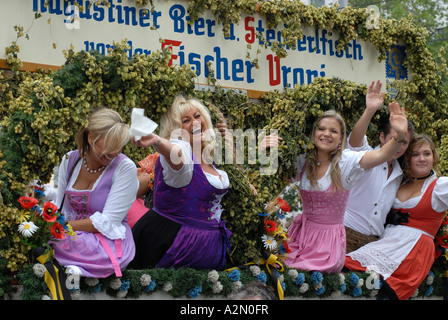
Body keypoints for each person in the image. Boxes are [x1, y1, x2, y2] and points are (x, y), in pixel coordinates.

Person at [263, 102, 408, 273]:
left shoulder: (344, 162)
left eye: (333, 131)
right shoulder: (303, 160)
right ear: (313, 133)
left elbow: (382, 155)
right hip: (300, 235)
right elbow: (266, 177)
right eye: (321, 129)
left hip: (327, 244)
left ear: (341, 138)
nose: (326, 134)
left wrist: (399, 136)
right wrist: (262, 148)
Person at [129, 96, 232, 270]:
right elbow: (176, 155)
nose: (195, 122)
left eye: (197, 116)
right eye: (186, 120)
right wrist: (158, 141)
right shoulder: (181, 150)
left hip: (208, 247)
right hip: (176, 244)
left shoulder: (211, 161)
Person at [345, 134, 448, 300]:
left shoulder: (440, 187)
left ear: (434, 157)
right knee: (352, 270)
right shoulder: (400, 180)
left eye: (427, 154)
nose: (422, 159)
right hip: (386, 242)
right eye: (416, 154)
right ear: (408, 158)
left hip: (412, 251)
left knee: (380, 288)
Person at [53, 107, 139, 278]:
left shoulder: (125, 167)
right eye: (110, 146)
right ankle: (74, 266)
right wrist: (48, 223)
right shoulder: (70, 160)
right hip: (68, 235)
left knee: (55, 240)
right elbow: (59, 206)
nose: (115, 153)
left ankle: (82, 268)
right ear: (91, 137)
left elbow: (107, 222)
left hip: (104, 240)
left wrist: (58, 227)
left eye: (119, 147)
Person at [344, 80, 414, 253]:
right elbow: (355, 142)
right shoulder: (367, 156)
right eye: (395, 139)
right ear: (382, 137)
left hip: (373, 245)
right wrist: (370, 110)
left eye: (404, 142)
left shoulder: (401, 174)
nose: (399, 146)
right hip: (344, 236)